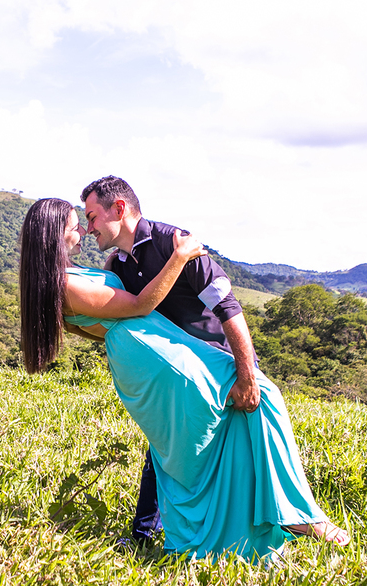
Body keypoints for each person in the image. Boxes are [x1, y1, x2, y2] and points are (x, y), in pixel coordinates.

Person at [18, 197, 348, 562]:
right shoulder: (66, 284)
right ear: (54, 233)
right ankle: (294, 515)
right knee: (258, 398)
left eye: (88, 219)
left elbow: (104, 313)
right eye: (75, 224)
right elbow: (138, 306)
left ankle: (258, 518)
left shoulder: (69, 276)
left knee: (195, 437)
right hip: (153, 352)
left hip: (153, 346)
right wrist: (179, 257)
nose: (84, 228)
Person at [78, 176, 260, 546]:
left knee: (238, 455)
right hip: (178, 374)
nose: (89, 227)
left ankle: (255, 532)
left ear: (119, 209)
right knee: (165, 446)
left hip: (219, 366)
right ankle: (150, 534)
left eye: (93, 217)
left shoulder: (175, 243)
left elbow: (228, 307)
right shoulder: (119, 266)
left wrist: (247, 375)